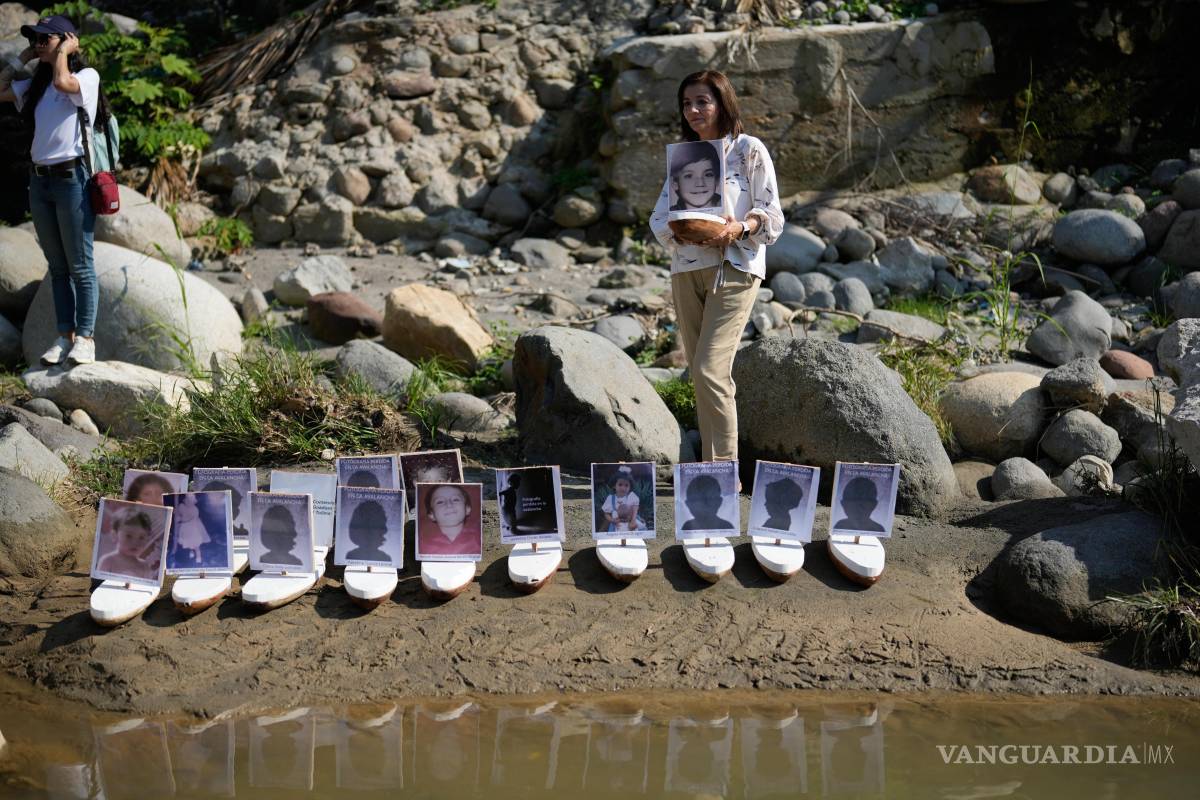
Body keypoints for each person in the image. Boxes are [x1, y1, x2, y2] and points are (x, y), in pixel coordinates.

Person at [649, 71, 784, 478]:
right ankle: (708, 473)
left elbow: (773, 216)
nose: (693, 110)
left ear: (723, 102)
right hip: (686, 270)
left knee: (710, 368)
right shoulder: (685, 156)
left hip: (736, 268)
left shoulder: (748, 149)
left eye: (702, 101)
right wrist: (683, 232)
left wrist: (739, 228)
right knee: (699, 372)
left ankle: (723, 474)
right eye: (686, 103)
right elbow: (659, 219)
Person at [0, 15, 107, 367]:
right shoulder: (36, 86)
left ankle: (86, 339)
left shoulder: (85, 78)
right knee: (57, 267)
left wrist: (63, 52)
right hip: (40, 181)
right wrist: (24, 56)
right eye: (36, 39)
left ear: (67, 40)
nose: (39, 43)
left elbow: (63, 81)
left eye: (45, 38)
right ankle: (65, 337)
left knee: (80, 264)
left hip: (72, 180)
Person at [98, 504, 160, 580]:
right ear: (114, 535)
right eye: (129, 536)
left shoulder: (144, 566)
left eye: (141, 537)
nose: (135, 542)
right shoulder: (108, 561)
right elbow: (98, 582)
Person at [420, 484, 480, 556]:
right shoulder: (423, 545)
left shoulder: (479, 540)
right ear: (431, 514)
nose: (449, 504)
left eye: (455, 499)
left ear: (467, 509)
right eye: (440, 502)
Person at [668, 140, 722, 211]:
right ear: (674, 182)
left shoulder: (730, 208)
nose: (700, 183)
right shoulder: (667, 216)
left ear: (717, 179)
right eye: (689, 176)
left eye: (708, 175)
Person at [169, 493, 211, 567]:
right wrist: (177, 515)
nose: (189, 502)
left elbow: (191, 518)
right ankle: (190, 552)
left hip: (193, 529)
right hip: (185, 529)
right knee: (187, 542)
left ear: (193, 502)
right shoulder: (181, 506)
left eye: (190, 501)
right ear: (185, 501)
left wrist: (181, 519)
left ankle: (198, 559)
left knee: (196, 545)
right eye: (187, 501)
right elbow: (177, 513)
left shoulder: (195, 509)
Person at [600, 469, 642, 533]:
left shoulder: (631, 497)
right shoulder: (611, 498)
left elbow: (635, 510)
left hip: (630, 526)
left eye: (626, 485)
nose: (623, 488)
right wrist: (612, 520)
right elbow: (606, 513)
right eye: (620, 485)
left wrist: (633, 521)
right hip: (616, 526)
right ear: (614, 485)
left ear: (630, 487)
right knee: (615, 537)